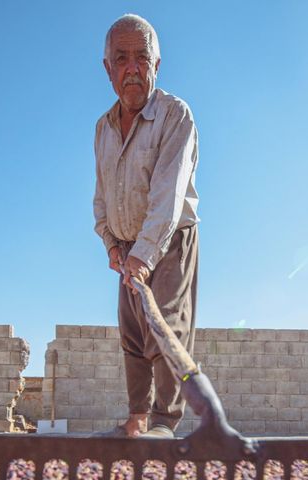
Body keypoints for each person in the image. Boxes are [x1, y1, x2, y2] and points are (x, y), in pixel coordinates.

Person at [93, 14, 200, 439]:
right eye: (122, 59)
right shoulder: (102, 129)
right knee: (134, 334)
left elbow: (168, 195)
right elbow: (102, 193)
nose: (133, 68)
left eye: (142, 57)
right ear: (108, 69)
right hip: (127, 244)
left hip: (170, 238)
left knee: (166, 324)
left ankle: (163, 422)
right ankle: (137, 418)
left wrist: (145, 253)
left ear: (157, 64)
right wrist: (111, 243)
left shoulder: (175, 115)